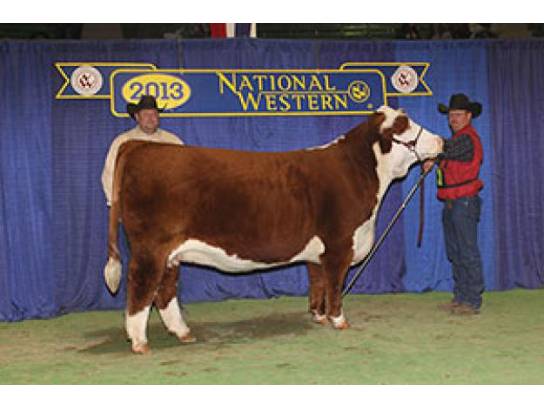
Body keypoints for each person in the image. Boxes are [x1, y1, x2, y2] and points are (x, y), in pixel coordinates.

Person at [423, 93, 484, 315]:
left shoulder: (467, 139)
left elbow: (447, 148)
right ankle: (461, 296)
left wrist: (432, 155)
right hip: (452, 202)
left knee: (467, 251)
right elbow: (446, 151)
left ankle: (472, 300)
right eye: (451, 115)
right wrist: (433, 158)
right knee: (455, 252)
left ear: (469, 116)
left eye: (458, 115)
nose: (453, 119)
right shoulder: (458, 140)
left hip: (464, 202)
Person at [101, 95, 184, 206]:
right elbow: (110, 173)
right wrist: (116, 203)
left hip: (166, 205)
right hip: (133, 204)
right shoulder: (123, 142)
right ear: (137, 116)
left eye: (154, 114)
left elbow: (184, 174)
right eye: (145, 114)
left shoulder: (173, 141)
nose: (150, 118)